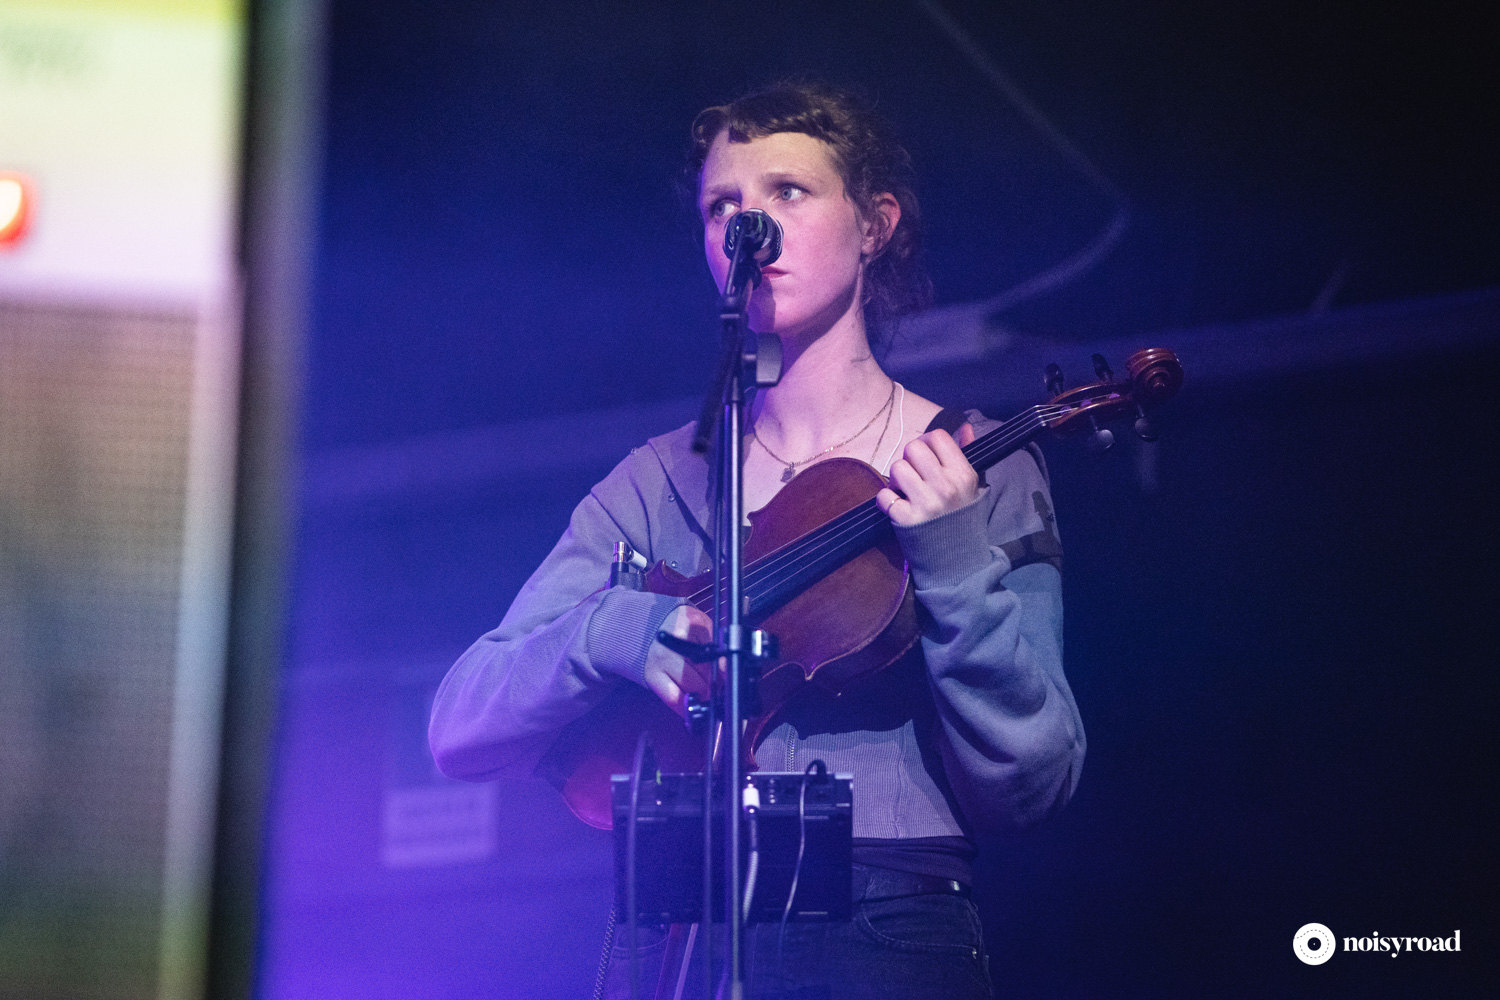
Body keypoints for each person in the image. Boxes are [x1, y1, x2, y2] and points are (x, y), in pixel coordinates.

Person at [429, 81, 1085, 1000]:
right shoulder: (659, 483)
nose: (750, 225)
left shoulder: (975, 465)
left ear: (874, 226)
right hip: (676, 927)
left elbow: (1031, 782)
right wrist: (603, 631)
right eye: (722, 206)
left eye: (789, 192)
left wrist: (952, 567)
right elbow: (459, 726)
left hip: (886, 924)